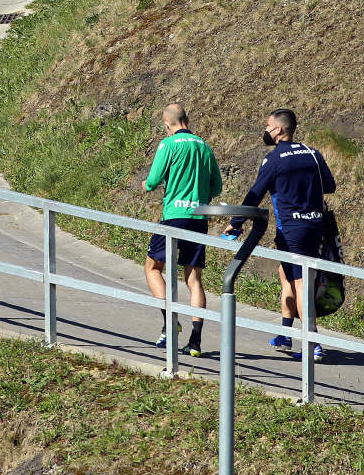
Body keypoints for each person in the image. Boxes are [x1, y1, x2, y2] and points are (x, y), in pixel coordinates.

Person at [223, 108, 336, 361]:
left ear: (279, 130)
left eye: (268, 125)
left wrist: (236, 222)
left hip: (291, 230)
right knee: (285, 274)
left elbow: (256, 193)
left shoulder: (274, 159)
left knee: (300, 283)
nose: (265, 129)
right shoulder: (312, 153)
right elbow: (330, 186)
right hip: (315, 226)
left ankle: (312, 344)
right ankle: (285, 333)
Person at [143, 103, 223, 358]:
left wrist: (146, 184)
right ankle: (196, 341)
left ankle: (170, 320)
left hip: (173, 217)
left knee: (153, 267)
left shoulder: (168, 145)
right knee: (194, 278)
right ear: (186, 119)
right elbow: (217, 186)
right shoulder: (204, 146)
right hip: (198, 218)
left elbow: (153, 181)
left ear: (167, 124)